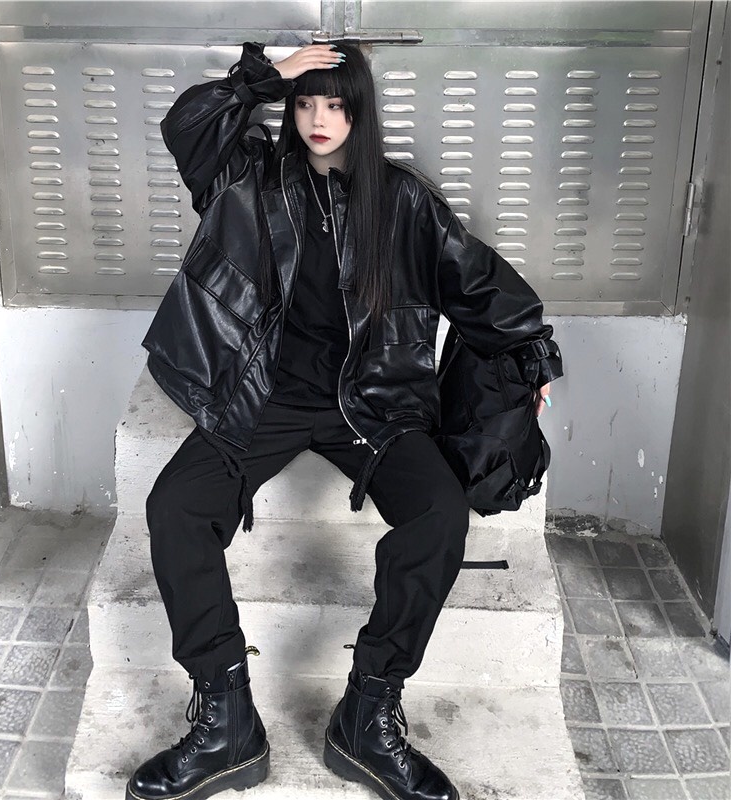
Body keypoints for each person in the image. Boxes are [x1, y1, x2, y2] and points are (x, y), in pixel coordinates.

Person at [127, 41, 560, 800]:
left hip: (372, 403)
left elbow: (477, 281)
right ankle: (225, 719)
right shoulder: (249, 179)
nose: (318, 119)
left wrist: (531, 360)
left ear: (361, 112)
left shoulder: (401, 201)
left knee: (438, 516)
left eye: (335, 103)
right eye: (305, 103)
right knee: (175, 507)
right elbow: (186, 125)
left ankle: (368, 713)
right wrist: (267, 76)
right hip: (263, 398)